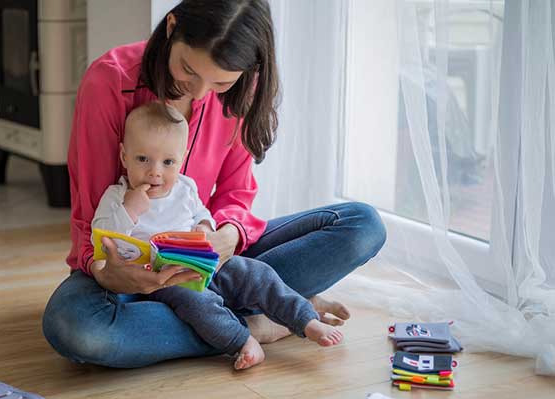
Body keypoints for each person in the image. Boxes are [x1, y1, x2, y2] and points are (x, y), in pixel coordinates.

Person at [42, 0, 386, 368]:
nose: (202, 93)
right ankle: (259, 320)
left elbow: (236, 194)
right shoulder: (109, 82)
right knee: (76, 327)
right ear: (172, 27)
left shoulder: (241, 89)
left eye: (221, 81)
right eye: (189, 70)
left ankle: (236, 315)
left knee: (362, 224)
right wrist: (105, 271)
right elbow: (90, 216)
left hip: (210, 261)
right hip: (132, 275)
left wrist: (225, 236)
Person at [92, 101, 344, 370]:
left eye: (168, 162)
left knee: (257, 273)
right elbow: (104, 238)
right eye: (143, 159)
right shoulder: (117, 196)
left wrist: (205, 227)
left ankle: (306, 319)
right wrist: (129, 210)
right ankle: (242, 340)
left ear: (182, 159)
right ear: (124, 157)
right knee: (199, 304)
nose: (155, 171)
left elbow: (203, 212)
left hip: (204, 263)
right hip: (166, 280)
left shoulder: (185, 188)